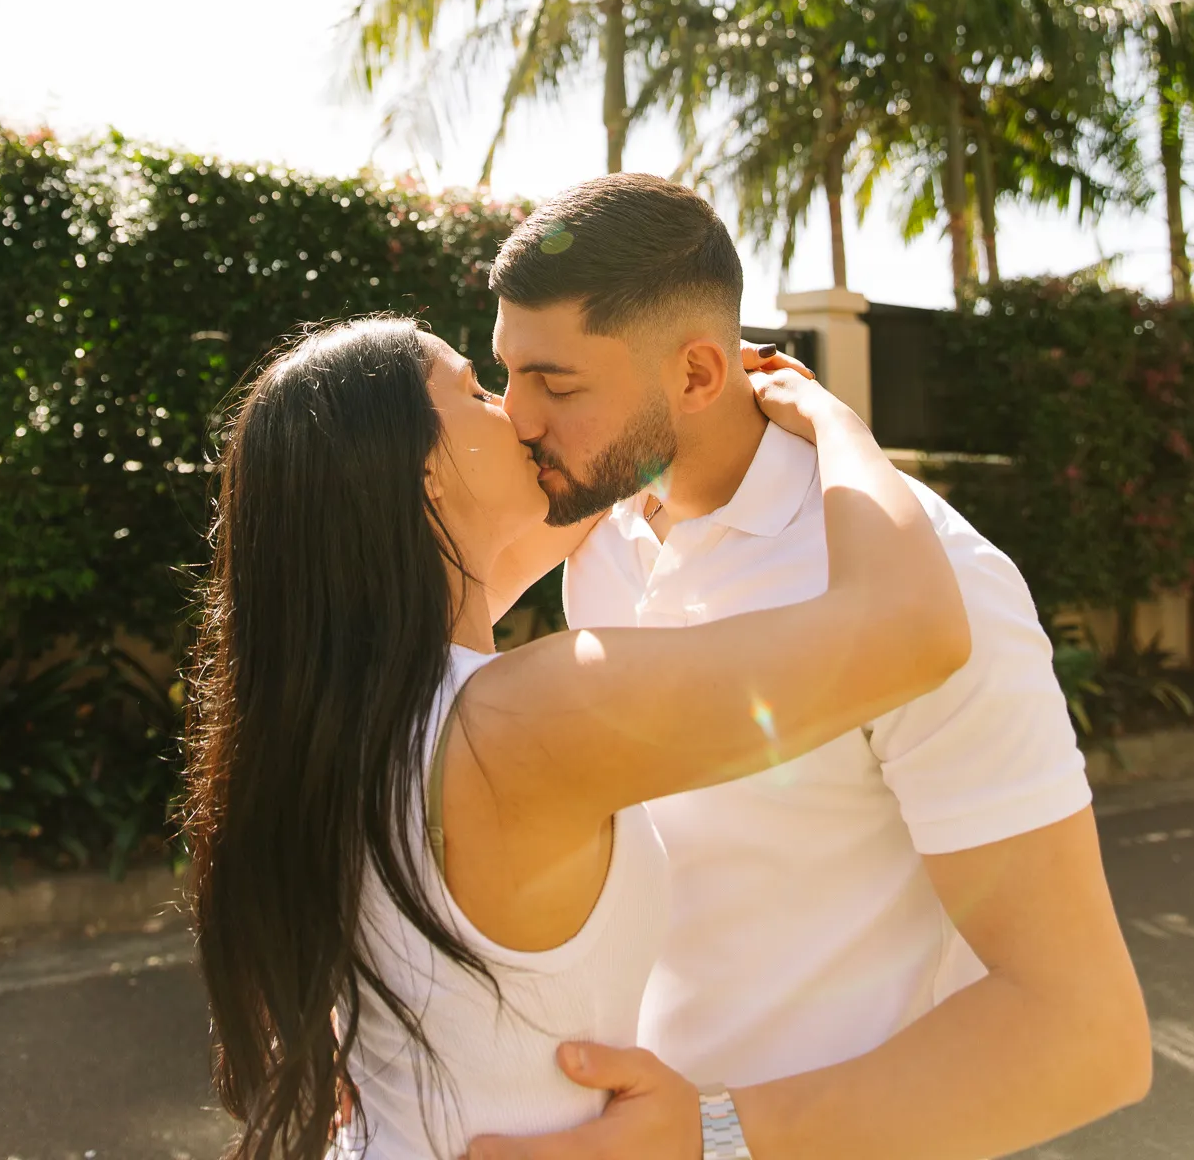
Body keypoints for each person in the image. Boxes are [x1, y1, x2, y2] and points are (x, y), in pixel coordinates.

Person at [469, 174, 1152, 1160]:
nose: (516, 416)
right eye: (507, 372)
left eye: (557, 382)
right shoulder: (598, 538)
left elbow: (1083, 1036)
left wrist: (709, 1138)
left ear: (697, 375)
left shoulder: (933, 585)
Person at [184, 312, 969, 1160]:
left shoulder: (344, 712)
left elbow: (558, 517)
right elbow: (912, 629)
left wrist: (639, 417)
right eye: (477, 392)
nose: (519, 414)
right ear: (423, 471)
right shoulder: (528, 717)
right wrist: (830, 420)